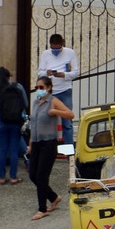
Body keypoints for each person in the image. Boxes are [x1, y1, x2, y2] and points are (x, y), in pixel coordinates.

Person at [27, 76, 75, 220]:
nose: (39, 90)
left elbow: (70, 114)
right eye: (37, 87)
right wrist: (30, 144)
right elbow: (33, 124)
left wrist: (56, 112)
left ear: (49, 88)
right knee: (32, 175)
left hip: (48, 144)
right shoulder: (36, 102)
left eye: (41, 87)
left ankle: (42, 209)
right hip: (36, 143)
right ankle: (53, 198)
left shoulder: (53, 101)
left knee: (42, 176)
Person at [0, 67, 28, 185]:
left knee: (2, 149)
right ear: (9, 76)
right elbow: (25, 104)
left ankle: (2, 177)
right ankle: (13, 177)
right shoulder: (18, 87)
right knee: (14, 150)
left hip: (1, 122)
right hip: (16, 123)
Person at [37, 33, 78, 145]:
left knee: (67, 123)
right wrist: (47, 73)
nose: (55, 50)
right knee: (46, 121)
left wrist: (64, 75)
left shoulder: (70, 53)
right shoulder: (45, 54)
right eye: (53, 48)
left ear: (62, 44)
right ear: (50, 45)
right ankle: (49, 148)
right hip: (50, 92)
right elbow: (40, 73)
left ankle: (68, 152)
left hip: (65, 90)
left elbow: (75, 72)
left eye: (58, 48)